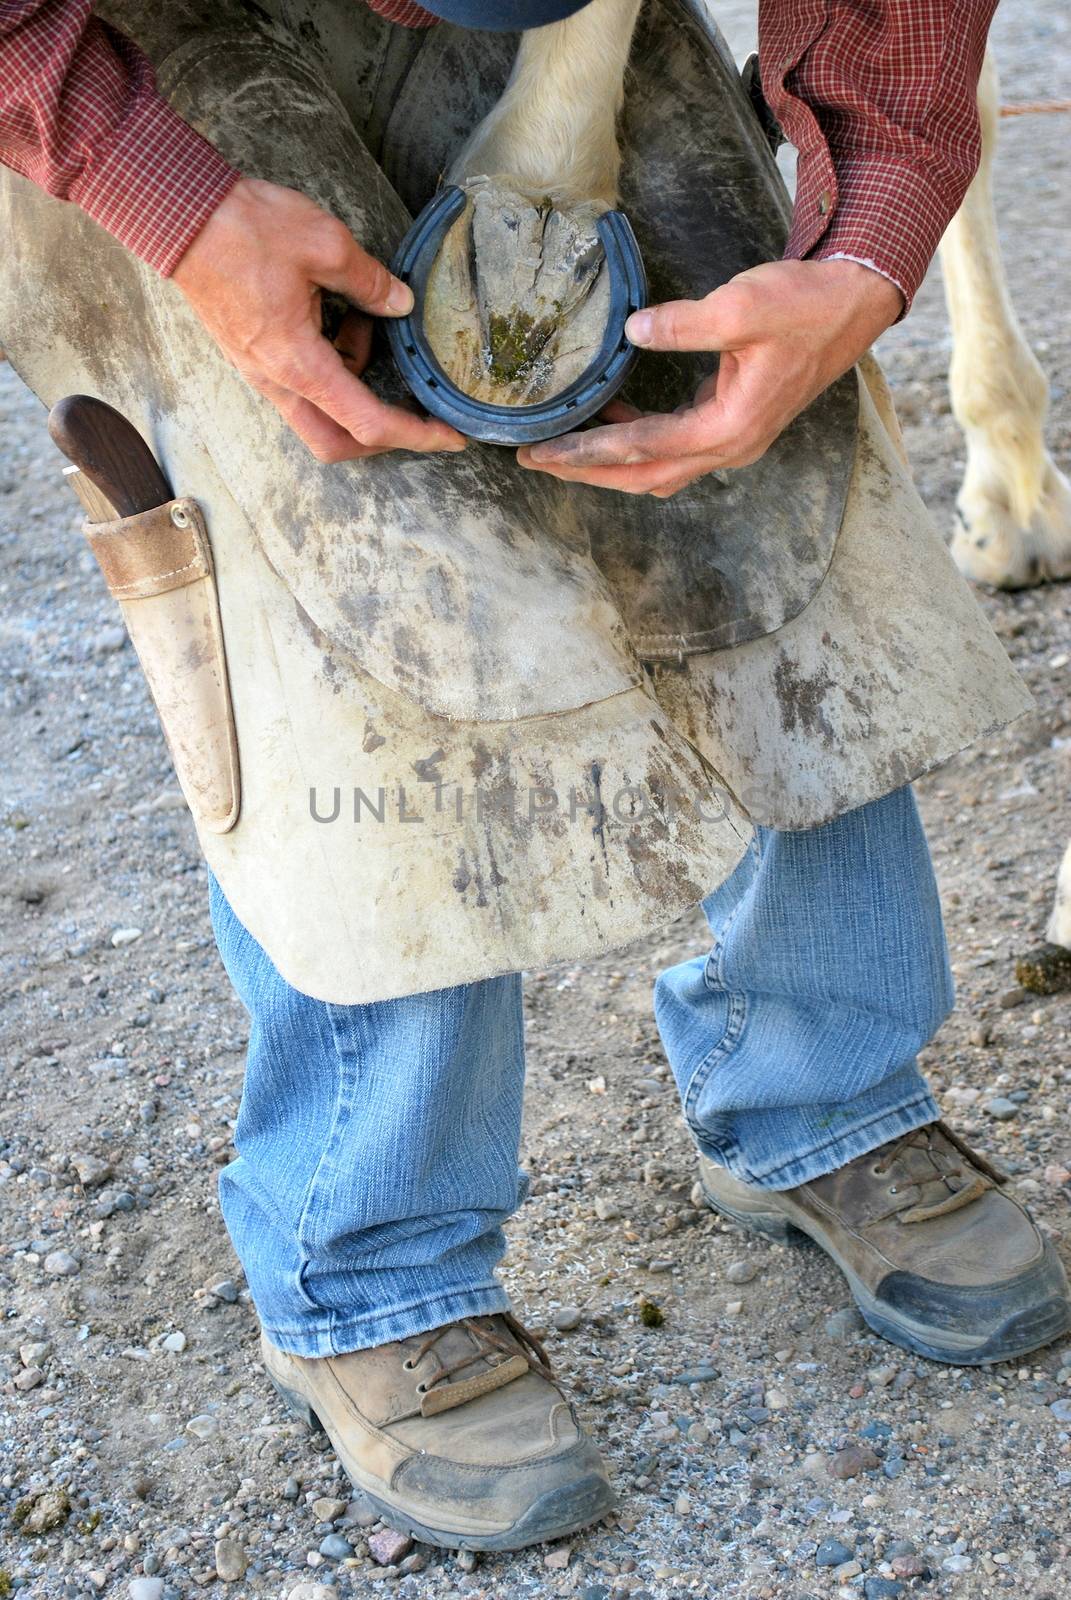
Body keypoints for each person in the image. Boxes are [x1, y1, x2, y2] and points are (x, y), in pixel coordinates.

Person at [2, 0, 1067, 1555]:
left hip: (586, 26)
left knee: (765, 493)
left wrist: (867, 241)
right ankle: (373, 1255)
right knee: (342, 588)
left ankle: (822, 1080)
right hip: (164, 31)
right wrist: (157, 180)